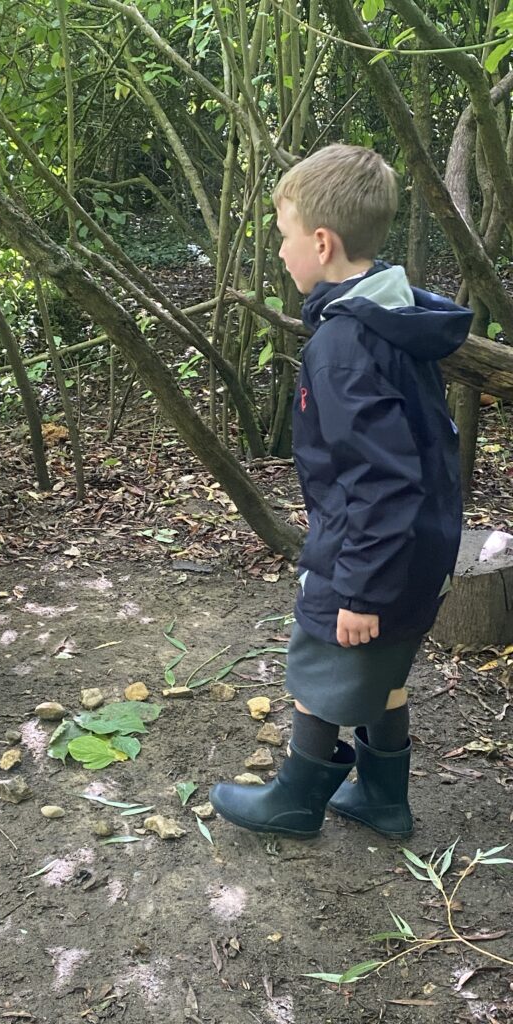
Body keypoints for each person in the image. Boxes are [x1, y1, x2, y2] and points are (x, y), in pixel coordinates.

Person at [210, 144, 472, 839]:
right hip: (420, 546)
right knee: (381, 672)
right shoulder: (392, 308)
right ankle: (385, 799)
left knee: (321, 664)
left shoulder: (345, 343)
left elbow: (382, 479)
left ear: (321, 242)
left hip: (371, 552)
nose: (282, 253)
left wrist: (358, 587)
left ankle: (296, 800)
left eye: (284, 239)